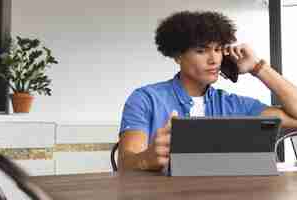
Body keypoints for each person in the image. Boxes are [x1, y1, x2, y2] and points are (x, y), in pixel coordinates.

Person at [117, 10, 297, 172]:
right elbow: (125, 164)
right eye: (201, 51)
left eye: (218, 49)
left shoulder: (234, 105)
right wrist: (146, 159)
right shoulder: (146, 99)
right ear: (178, 56)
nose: (213, 60)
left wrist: (258, 67)